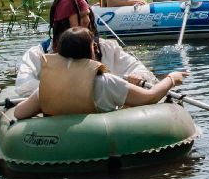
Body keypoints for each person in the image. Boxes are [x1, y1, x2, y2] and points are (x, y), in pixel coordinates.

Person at [12, 27, 184, 119]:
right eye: (93, 46)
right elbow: (151, 97)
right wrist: (171, 79)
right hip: (102, 142)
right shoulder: (106, 82)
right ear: (90, 52)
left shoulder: (47, 86)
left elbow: (20, 113)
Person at [14, 0, 155, 98]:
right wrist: (68, 91)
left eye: (88, 14)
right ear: (63, 23)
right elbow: (24, 85)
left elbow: (140, 70)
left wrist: (138, 76)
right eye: (81, 16)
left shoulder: (106, 48)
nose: (87, 20)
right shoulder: (39, 54)